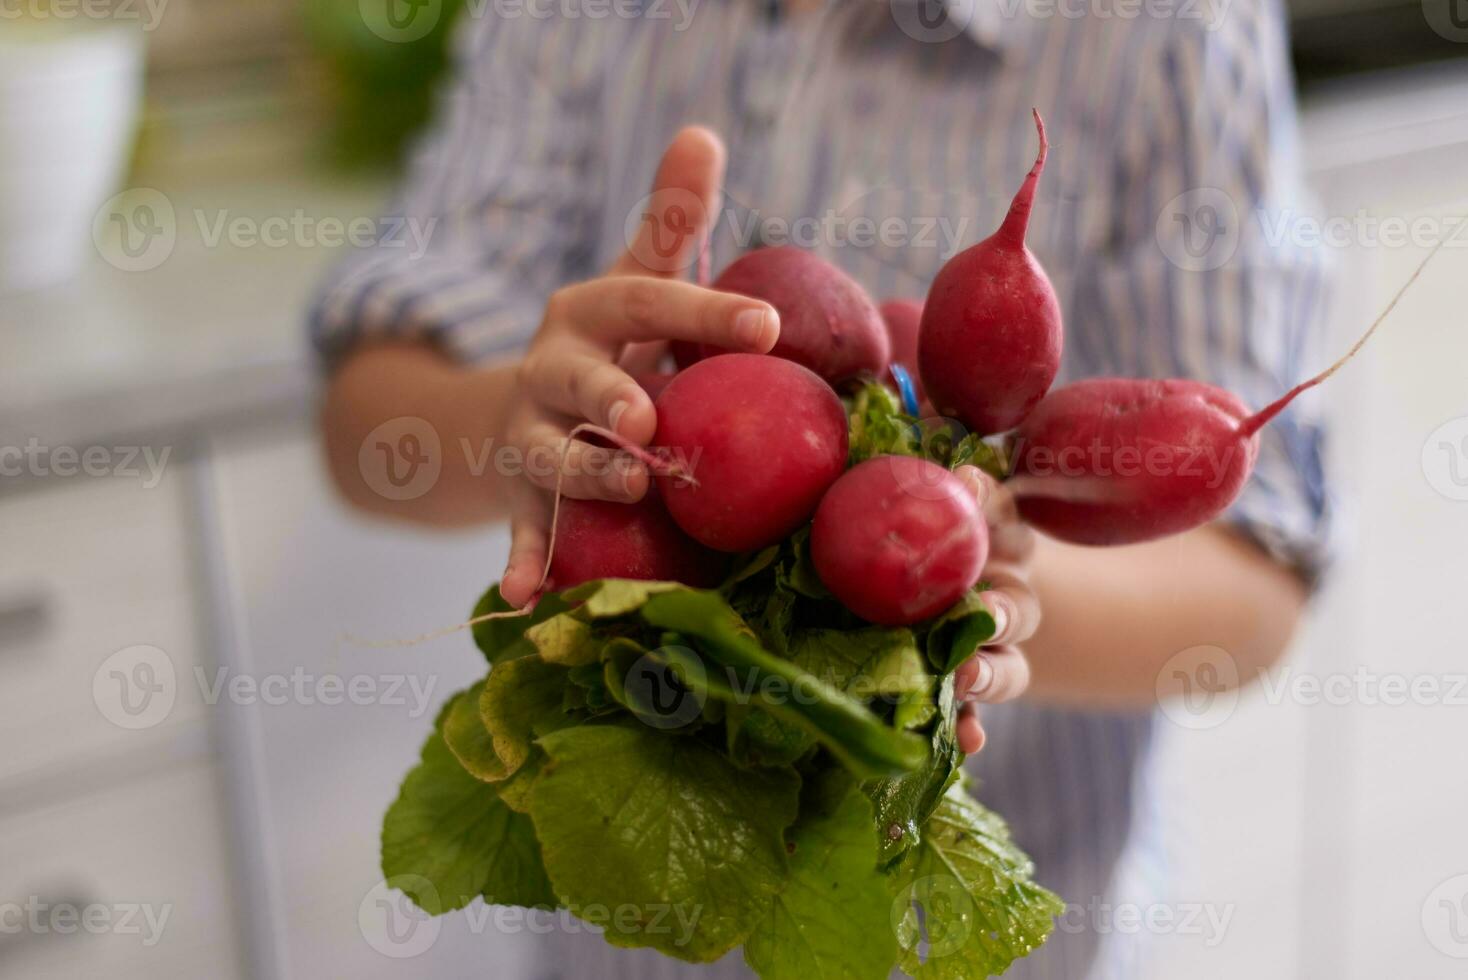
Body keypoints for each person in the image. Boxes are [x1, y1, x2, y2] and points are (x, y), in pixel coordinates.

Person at [313, 1, 1330, 976]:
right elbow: (365, 420)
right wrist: (522, 421)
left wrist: (992, 589)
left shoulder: (1167, 20)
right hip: (625, 939)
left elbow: (1253, 591)